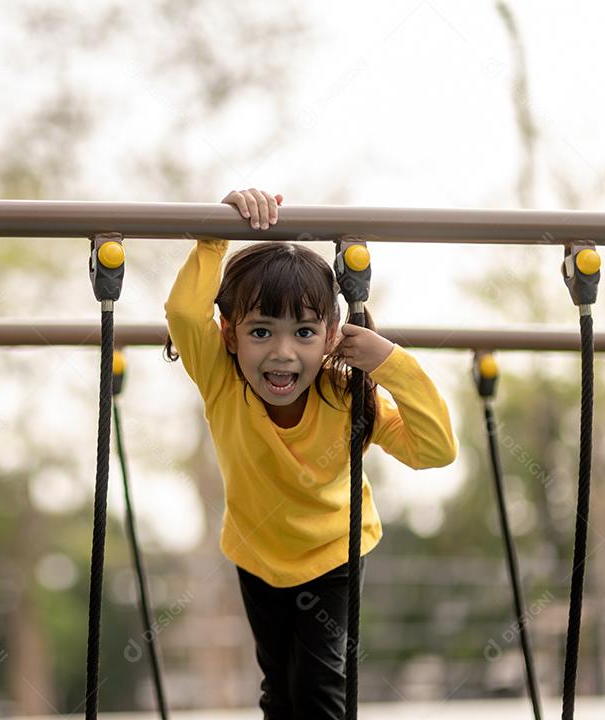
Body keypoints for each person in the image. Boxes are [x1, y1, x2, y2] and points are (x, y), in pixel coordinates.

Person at [163, 188, 458, 719]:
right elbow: (185, 311)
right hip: (257, 556)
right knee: (279, 689)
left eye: (303, 332)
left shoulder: (345, 394)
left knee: (321, 688)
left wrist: (389, 362)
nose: (281, 353)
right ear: (229, 335)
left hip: (333, 557)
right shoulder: (221, 379)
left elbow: (434, 451)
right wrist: (215, 235)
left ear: (328, 338)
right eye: (260, 331)